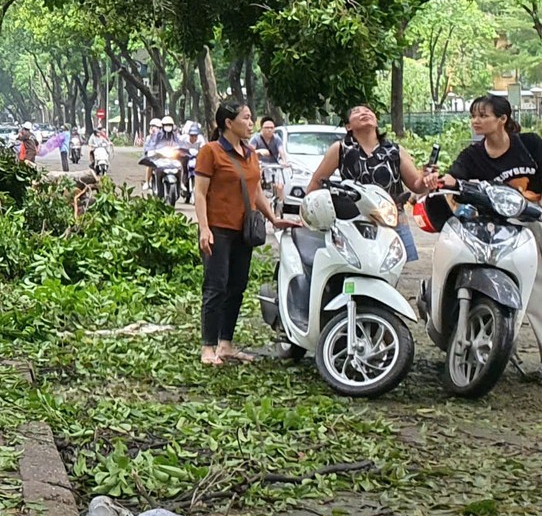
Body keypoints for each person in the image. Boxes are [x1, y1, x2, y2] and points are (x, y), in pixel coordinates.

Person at [193, 99, 291, 367]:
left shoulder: (250, 154)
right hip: (218, 229)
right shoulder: (210, 152)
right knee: (216, 287)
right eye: (246, 118)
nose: (251, 124)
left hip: (243, 231)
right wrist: (204, 228)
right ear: (228, 123)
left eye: (251, 118)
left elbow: (256, 190)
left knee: (236, 286)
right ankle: (208, 346)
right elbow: (200, 194)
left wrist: (273, 218)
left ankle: (226, 344)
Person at [305, 105, 437, 260]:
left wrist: (426, 178)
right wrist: (307, 215)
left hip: (393, 222)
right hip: (355, 224)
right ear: (348, 126)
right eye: (356, 112)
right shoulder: (341, 149)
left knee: (396, 274)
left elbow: (416, 184)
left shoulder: (394, 150)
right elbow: (316, 182)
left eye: (368, 111)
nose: (364, 113)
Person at [444, 93, 542, 196]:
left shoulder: (530, 143)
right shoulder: (472, 155)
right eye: (473, 116)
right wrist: (434, 179)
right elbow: (452, 177)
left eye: (483, 116)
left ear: (503, 119)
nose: (475, 121)